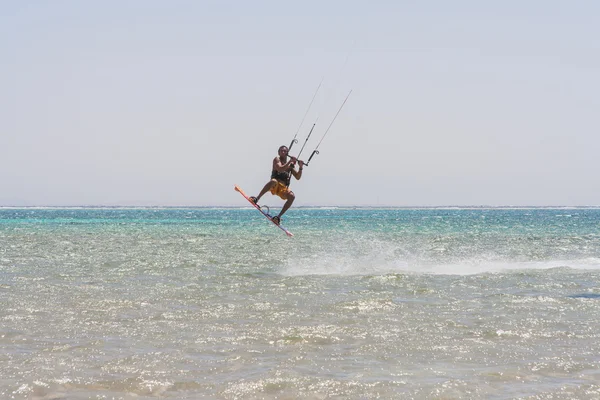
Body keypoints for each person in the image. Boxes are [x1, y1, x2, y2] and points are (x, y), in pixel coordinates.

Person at [250, 145, 304, 225]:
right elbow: (280, 169)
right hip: (274, 186)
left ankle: (278, 217)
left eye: (285, 151)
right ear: (278, 152)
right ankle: (256, 199)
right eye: (281, 151)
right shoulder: (277, 159)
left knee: (292, 196)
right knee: (274, 181)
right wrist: (290, 161)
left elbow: (298, 177)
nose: (283, 152)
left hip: (282, 189)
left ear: (287, 153)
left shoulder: (290, 166)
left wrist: (300, 167)